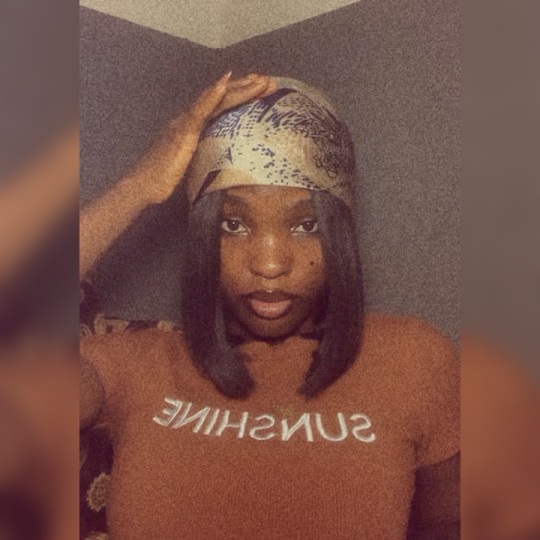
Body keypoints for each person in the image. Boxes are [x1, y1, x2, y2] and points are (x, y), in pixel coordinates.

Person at [80, 72, 460, 539]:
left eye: (306, 225)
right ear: (202, 237)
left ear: (339, 235)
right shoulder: (133, 365)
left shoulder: (414, 360)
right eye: (233, 225)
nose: (270, 264)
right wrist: (138, 186)